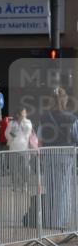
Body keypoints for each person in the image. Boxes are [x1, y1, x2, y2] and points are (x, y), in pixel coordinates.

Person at [38, 87, 78, 229]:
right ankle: (59, 222)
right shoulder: (72, 118)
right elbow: (76, 137)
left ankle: (49, 222)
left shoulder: (44, 118)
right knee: (63, 190)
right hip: (65, 157)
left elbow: (40, 139)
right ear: (65, 99)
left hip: (49, 157)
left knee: (51, 189)